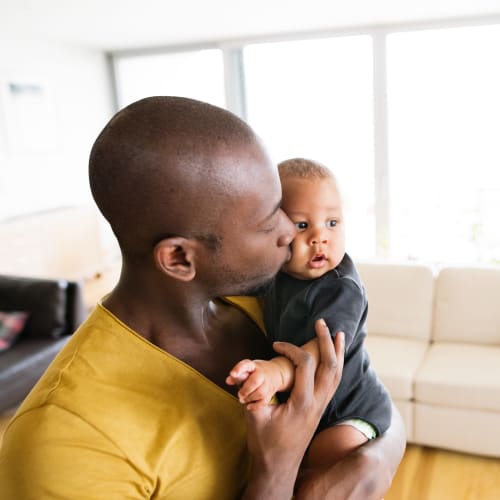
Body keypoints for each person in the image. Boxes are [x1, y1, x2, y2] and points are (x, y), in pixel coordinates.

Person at [0, 97, 405, 499]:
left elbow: (368, 394)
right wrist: (276, 469)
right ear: (179, 257)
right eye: (269, 222)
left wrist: (374, 461)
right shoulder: (62, 445)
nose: (290, 233)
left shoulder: (262, 299)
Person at [227, 157, 392, 469]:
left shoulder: (340, 288)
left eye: (332, 223)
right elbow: (243, 285)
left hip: (350, 409)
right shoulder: (279, 271)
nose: (320, 237)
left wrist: (276, 372)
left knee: (326, 453)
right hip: (307, 405)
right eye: (302, 225)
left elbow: (324, 352)